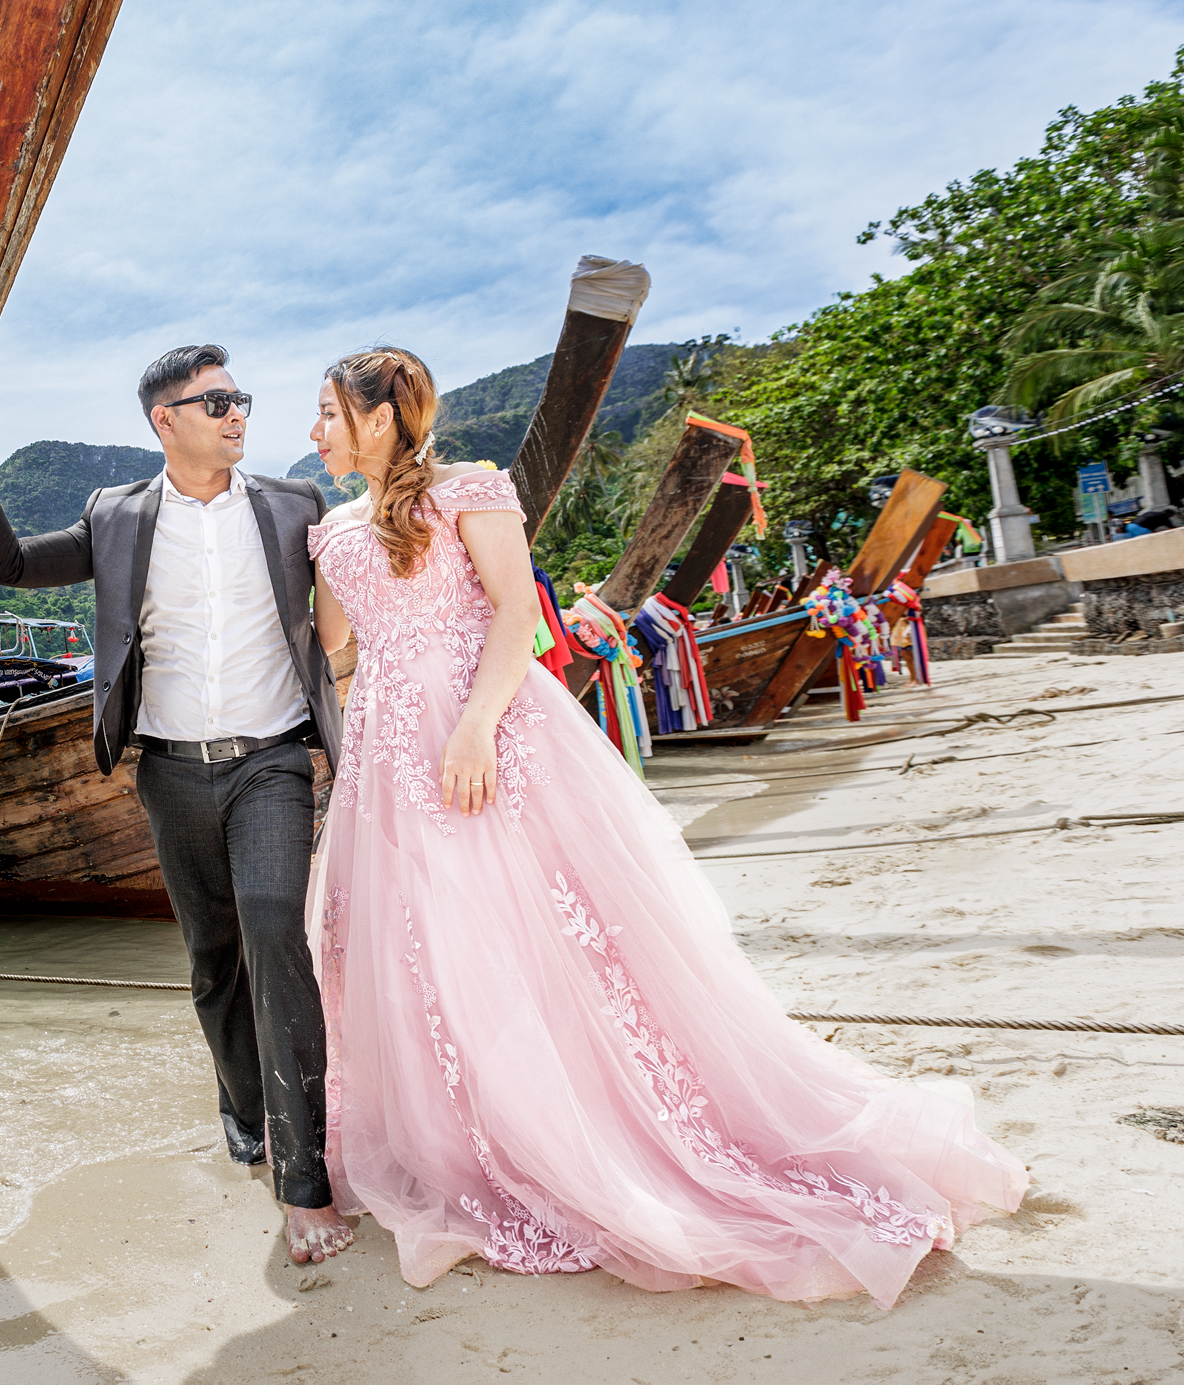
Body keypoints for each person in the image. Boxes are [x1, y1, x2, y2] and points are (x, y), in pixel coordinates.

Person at [303, 345, 1026, 1305]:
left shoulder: (470, 489)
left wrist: (474, 727)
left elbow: (516, 613)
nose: (313, 432)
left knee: (544, 925)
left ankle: (591, 1126)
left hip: (484, 726)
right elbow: (336, 643)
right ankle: (465, 1133)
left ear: (379, 417)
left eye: (327, 413)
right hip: (386, 748)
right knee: (425, 940)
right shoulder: (330, 530)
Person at [0, 343, 356, 1262]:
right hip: (168, 772)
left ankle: (306, 1181)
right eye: (216, 401)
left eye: (240, 397)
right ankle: (245, 1112)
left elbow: (352, 598)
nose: (237, 412)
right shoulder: (117, 515)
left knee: (274, 931)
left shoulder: (297, 507)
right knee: (214, 962)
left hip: (273, 763)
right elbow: (8, 564)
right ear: (164, 421)